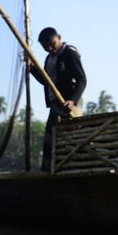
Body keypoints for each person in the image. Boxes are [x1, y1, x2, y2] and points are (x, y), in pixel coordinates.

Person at [29, 27, 87, 172]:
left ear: (59, 37)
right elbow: (46, 81)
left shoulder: (69, 53)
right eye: (45, 47)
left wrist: (72, 100)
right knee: (51, 139)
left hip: (69, 102)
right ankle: (49, 171)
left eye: (52, 43)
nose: (49, 48)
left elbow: (81, 79)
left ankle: (74, 168)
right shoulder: (49, 58)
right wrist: (31, 67)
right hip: (56, 103)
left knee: (71, 137)